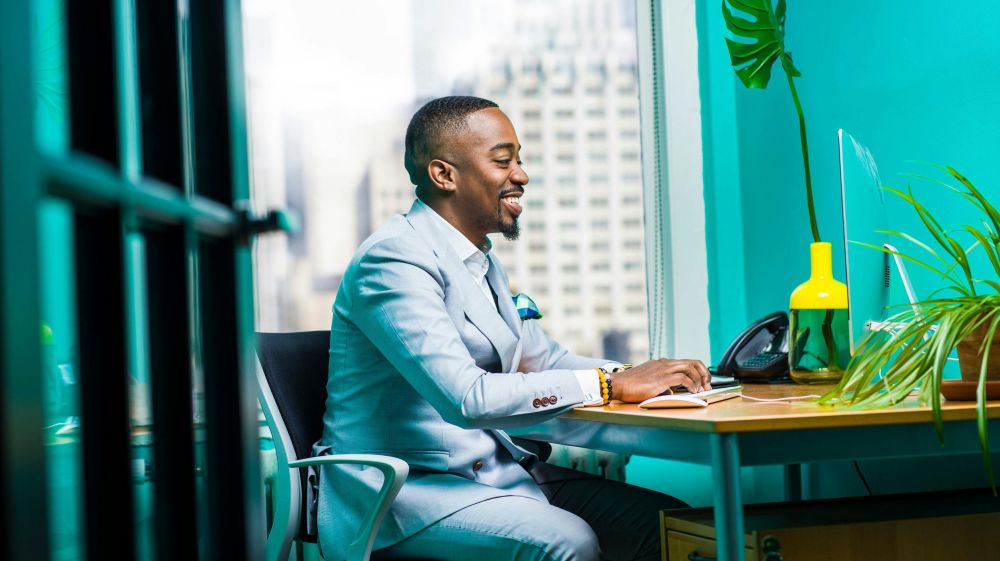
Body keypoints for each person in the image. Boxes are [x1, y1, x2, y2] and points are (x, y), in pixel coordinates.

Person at [314, 96, 712, 561]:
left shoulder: (477, 260)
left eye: (519, 160)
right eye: (504, 161)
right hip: (404, 493)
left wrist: (644, 376)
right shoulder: (392, 260)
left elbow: (544, 361)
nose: (521, 175)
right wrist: (609, 384)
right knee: (567, 541)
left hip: (490, 475)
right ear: (445, 175)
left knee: (664, 523)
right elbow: (468, 397)